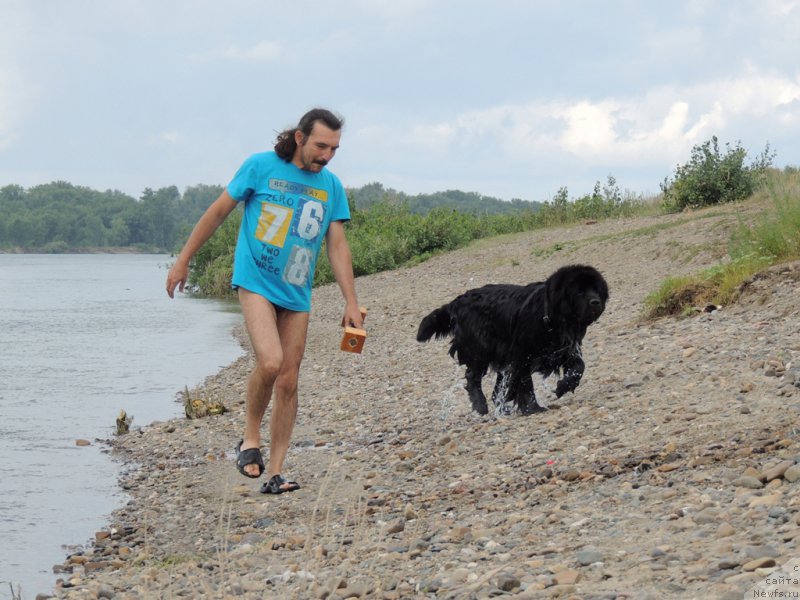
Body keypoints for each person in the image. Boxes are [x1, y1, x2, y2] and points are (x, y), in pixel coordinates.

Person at [166, 108, 363, 494]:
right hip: (256, 280)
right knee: (270, 362)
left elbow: (337, 244)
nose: (327, 155)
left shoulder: (331, 186)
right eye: (321, 145)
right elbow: (218, 212)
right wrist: (184, 259)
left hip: (297, 290)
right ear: (301, 137)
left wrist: (351, 301)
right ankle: (249, 439)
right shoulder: (260, 166)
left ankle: (275, 473)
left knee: (289, 381)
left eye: (335, 149)